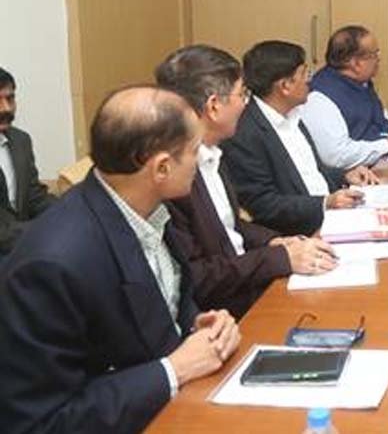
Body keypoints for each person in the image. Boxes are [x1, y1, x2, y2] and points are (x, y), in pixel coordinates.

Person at [0, 86, 240, 434]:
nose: (199, 160)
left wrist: (197, 325)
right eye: (194, 151)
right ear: (161, 168)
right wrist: (173, 370)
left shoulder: (147, 209)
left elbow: (164, 301)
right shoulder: (52, 265)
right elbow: (42, 421)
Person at [156, 45, 338, 319]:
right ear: (214, 106)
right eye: (242, 94)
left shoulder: (213, 153)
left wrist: (278, 241)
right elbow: (199, 278)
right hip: (229, 311)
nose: (246, 104)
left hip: (251, 281)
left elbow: (231, 226)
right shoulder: (175, 177)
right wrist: (280, 258)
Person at [225, 40, 378, 237]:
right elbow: (263, 204)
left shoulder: (294, 115)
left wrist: (345, 175)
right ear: (285, 86)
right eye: (305, 74)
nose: (310, 81)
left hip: (332, 218)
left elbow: (310, 172)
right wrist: (325, 203)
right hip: (299, 235)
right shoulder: (244, 133)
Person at [301, 25, 388, 169]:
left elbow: (379, 116)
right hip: (354, 175)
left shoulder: (361, 83)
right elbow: (336, 156)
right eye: (374, 54)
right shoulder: (319, 99)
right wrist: (387, 144)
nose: (378, 59)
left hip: (378, 163)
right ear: (355, 63)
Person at [0, 67, 56, 255]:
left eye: (10, 99)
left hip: (21, 249)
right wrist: (44, 232)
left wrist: (69, 210)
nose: (6, 108)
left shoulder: (21, 141)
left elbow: (34, 197)